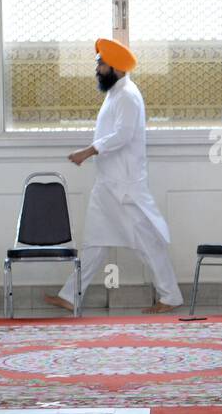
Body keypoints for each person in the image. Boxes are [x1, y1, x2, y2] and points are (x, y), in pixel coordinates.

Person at [49, 39, 183, 315]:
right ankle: (71, 295)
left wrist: (88, 152)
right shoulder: (115, 94)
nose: (97, 68)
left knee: (148, 242)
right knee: (95, 242)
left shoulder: (128, 95)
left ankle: (170, 296)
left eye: (101, 63)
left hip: (124, 187)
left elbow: (123, 135)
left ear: (116, 67)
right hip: (108, 184)